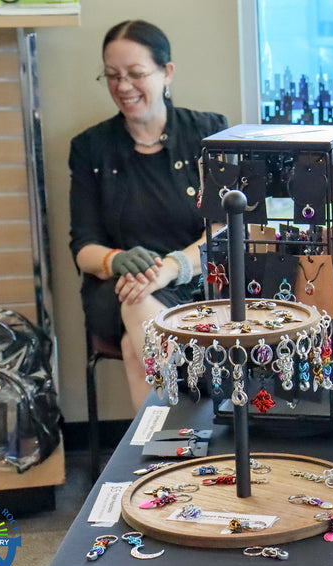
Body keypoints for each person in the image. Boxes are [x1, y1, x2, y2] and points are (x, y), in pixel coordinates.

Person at [69, 20, 227, 408]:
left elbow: (224, 229)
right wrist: (116, 260)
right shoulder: (91, 148)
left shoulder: (207, 133)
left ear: (166, 72)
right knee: (136, 303)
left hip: (198, 282)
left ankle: (161, 455)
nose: (123, 87)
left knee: (134, 338)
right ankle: (203, 416)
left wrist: (173, 267)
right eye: (112, 76)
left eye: (136, 74)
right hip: (118, 287)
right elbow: (83, 246)